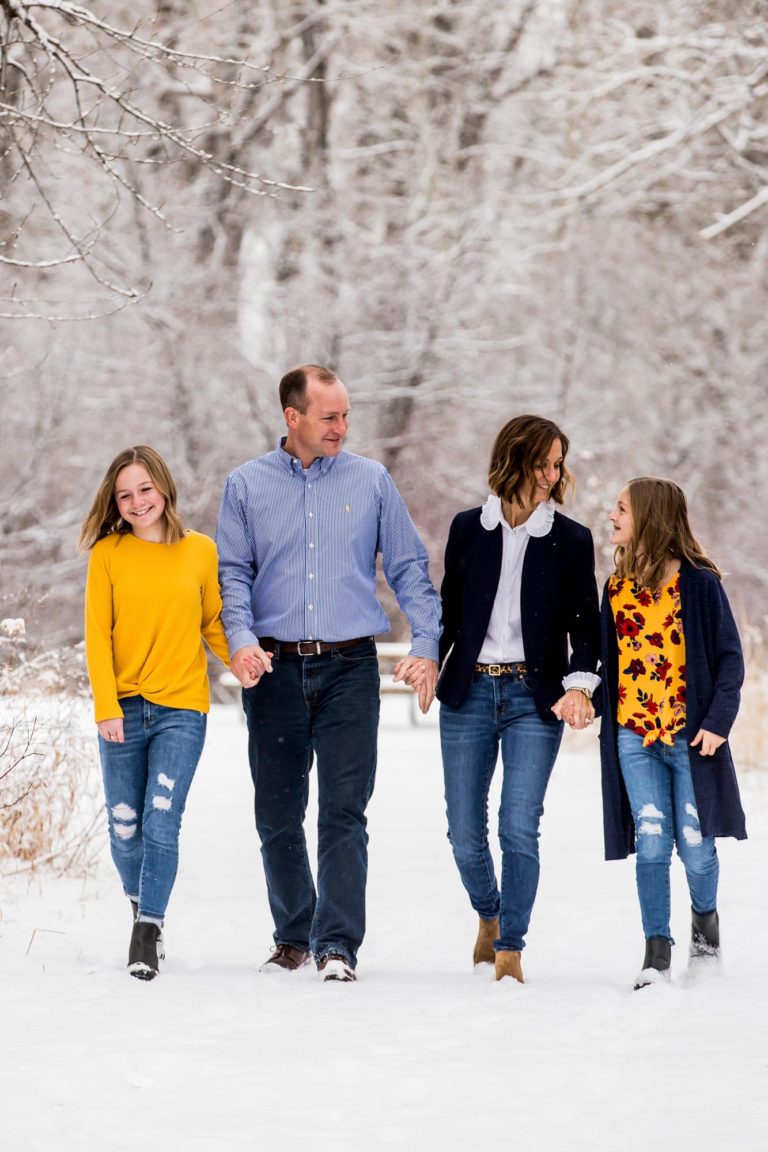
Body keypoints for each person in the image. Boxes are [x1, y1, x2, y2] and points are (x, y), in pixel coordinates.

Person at [216, 364, 441, 982]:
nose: (343, 426)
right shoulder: (245, 486)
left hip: (349, 667)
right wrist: (238, 640)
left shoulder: (371, 482)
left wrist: (425, 642)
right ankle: (293, 935)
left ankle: (337, 944)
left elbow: (409, 569)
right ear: (293, 418)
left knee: (345, 810)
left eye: (345, 415)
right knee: (278, 812)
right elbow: (232, 575)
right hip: (274, 669)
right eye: (330, 416)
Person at [434, 414, 600, 983]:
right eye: (545, 462)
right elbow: (449, 613)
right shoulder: (466, 528)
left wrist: (579, 687)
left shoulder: (572, 540)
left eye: (559, 463)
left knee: (518, 826)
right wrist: (429, 660)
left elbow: (588, 626)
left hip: (536, 696)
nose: (554, 474)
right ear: (516, 460)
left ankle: (510, 948)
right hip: (470, 692)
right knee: (462, 830)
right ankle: (489, 910)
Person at [80, 446, 232, 980]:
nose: (137, 501)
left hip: (181, 708)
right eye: (125, 495)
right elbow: (97, 636)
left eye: (145, 489)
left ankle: (146, 931)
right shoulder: (108, 555)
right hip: (122, 707)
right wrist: (105, 706)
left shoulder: (200, 551)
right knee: (125, 828)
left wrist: (244, 658)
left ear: (164, 487)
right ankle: (139, 905)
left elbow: (212, 621)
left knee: (162, 820)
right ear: (115, 503)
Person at [600, 477, 746, 989]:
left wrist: (717, 723)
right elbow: (613, 666)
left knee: (696, 843)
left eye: (621, 509)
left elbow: (730, 659)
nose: (612, 515)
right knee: (653, 840)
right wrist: (578, 697)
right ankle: (655, 955)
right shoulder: (615, 587)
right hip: (633, 736)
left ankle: (705, 927)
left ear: (650, 518)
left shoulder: (701, 584)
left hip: (689, 737)